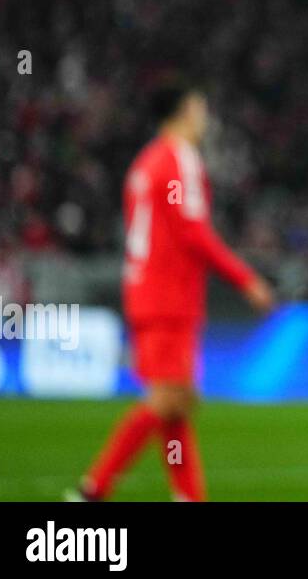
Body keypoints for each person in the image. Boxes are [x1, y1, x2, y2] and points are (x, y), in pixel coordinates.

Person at [67, 76, 275, 502]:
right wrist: (246, 278)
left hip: (145, 291)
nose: (205, 117)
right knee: (167, 400)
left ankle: (188, 497)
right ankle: (92, 489)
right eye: (200, 108)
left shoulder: (144, 164)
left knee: (178, 400)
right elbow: (192, 233)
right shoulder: (180, 159)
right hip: (170, 296)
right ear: (182, 111)